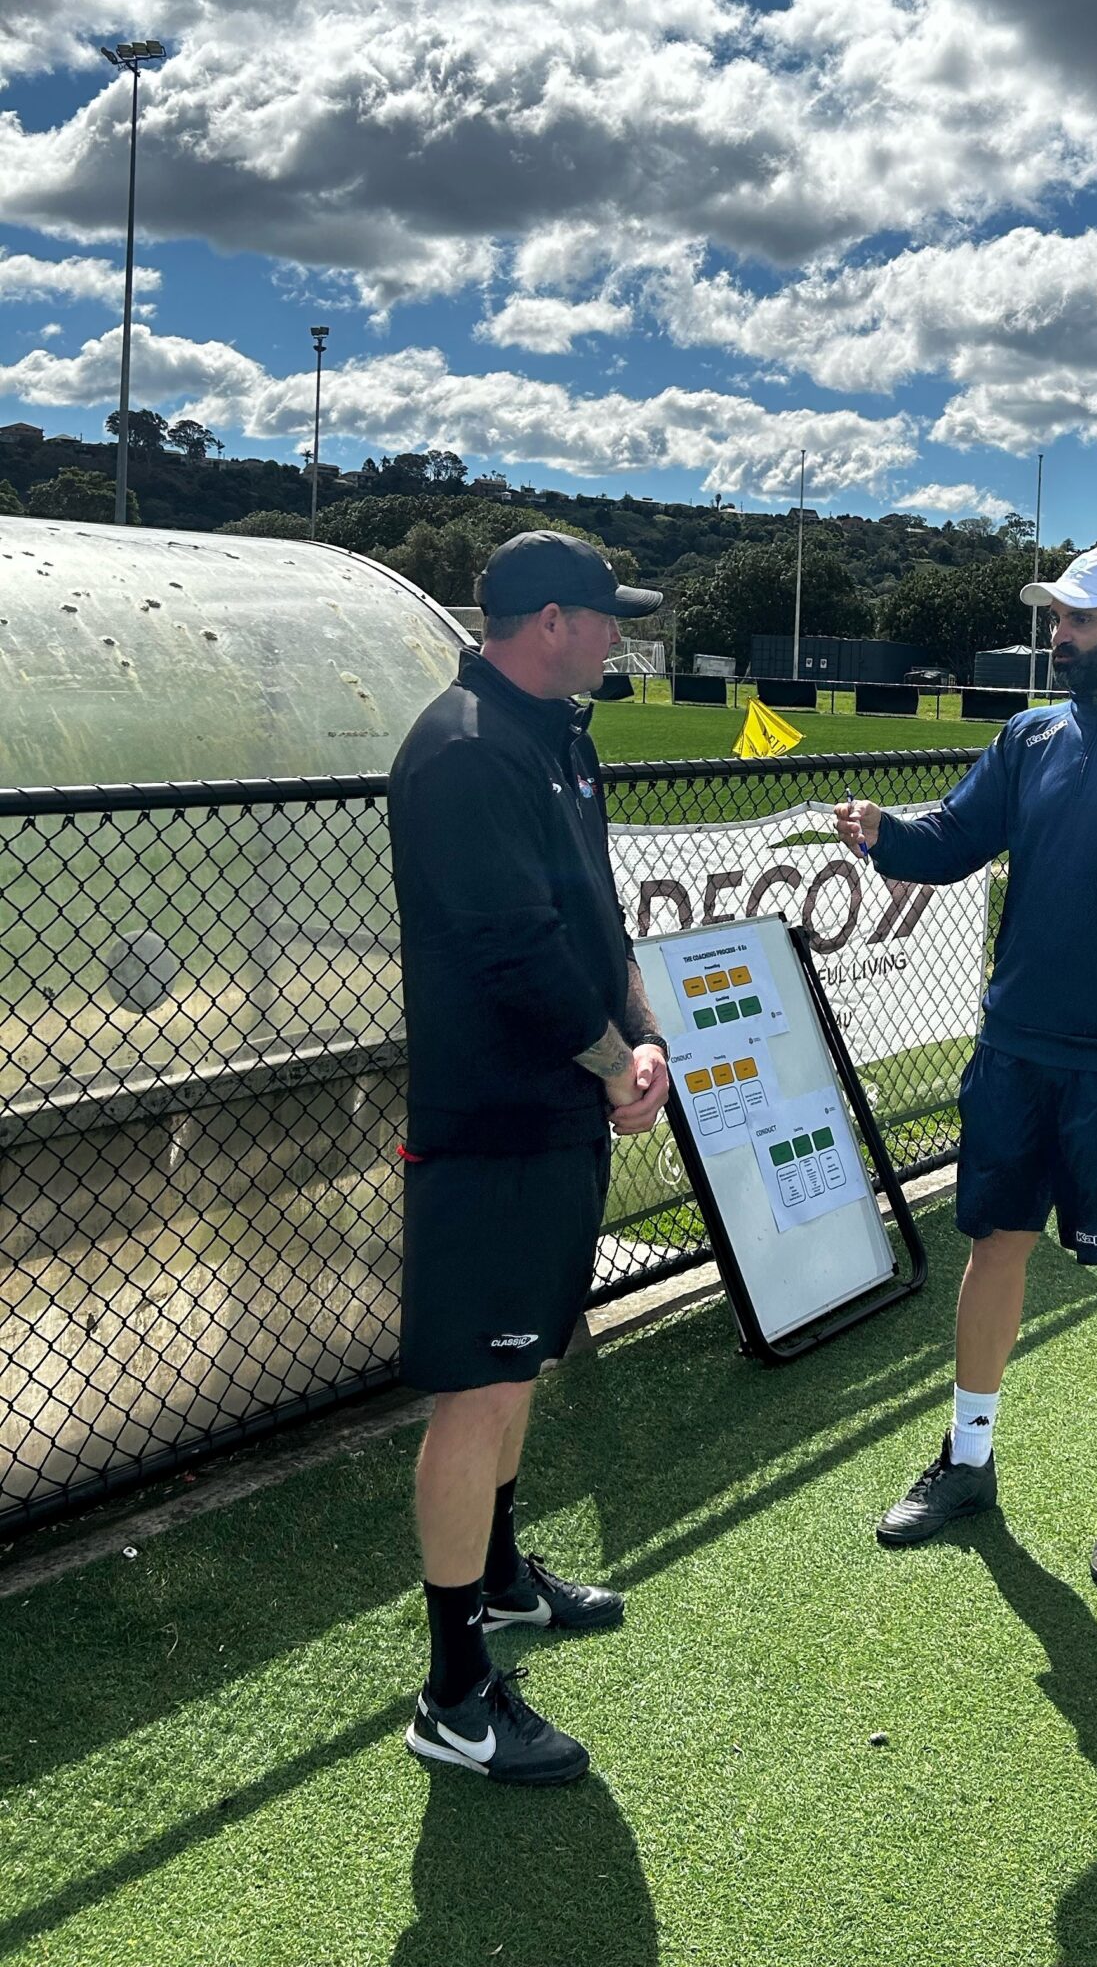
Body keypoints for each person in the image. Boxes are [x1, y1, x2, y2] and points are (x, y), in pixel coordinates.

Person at [834, 545, 1097, 1587]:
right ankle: (968, 1458)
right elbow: (956, 834)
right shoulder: (1030, 735)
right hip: (1015, 1049)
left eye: (1075, 620)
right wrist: (888, 832)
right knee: (995, 1247)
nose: (1057, 636)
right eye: (1056, 619)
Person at [387, 529, 669, 1787]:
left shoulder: (561, 737)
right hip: (494, 1126)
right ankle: (452, 1692)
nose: (621, 639)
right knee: (481, 1390)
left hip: (559, 1118)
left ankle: (500, 1579)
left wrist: (645, 1040)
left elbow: (595, 919)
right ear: (550, 620)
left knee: (524, 1368)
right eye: (609, 619)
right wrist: (616, 1064)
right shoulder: (461, 751)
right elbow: (512, 953)